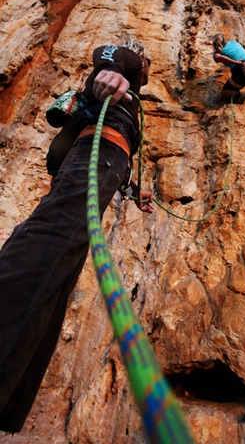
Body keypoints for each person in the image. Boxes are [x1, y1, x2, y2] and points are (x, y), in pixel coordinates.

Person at [0, 36, 154, 433]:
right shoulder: (125, 67)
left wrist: (133, 188)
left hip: (96, 160)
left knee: (57, 274)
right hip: (94, 154)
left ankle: (9, 400)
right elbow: (108, 62)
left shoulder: (120, 104)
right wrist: (111, 75)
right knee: (48, 244)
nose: (146, 73)